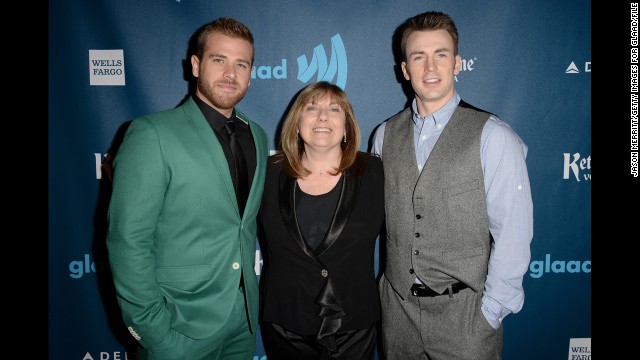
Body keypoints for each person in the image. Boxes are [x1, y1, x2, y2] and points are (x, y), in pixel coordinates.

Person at [371, 11, 533, 360]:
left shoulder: (493, 135)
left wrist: (490, 312)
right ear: (405, 69)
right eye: (419, 57)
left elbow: (514, 232)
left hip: (466, 320)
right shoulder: (384, 136)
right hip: (397, 316)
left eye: (440, 55)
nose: (430, 67)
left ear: (457, 63)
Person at [106, 17, 269, 360]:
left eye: (242, 64)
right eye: (218, 59)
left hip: (242, 321)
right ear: (196, 65)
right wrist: (152, 329)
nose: (230, 73)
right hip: (178, 326)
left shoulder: (256, 134)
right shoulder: (152, 133)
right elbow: (128, 238)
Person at [258, 81, 385, 360]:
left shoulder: (376, 173)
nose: (323, 117)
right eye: (312, 108)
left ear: (347, 125)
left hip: (354, 323)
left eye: (334, 109)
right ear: (297, 122)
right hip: (285, 323)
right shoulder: (267, 174)